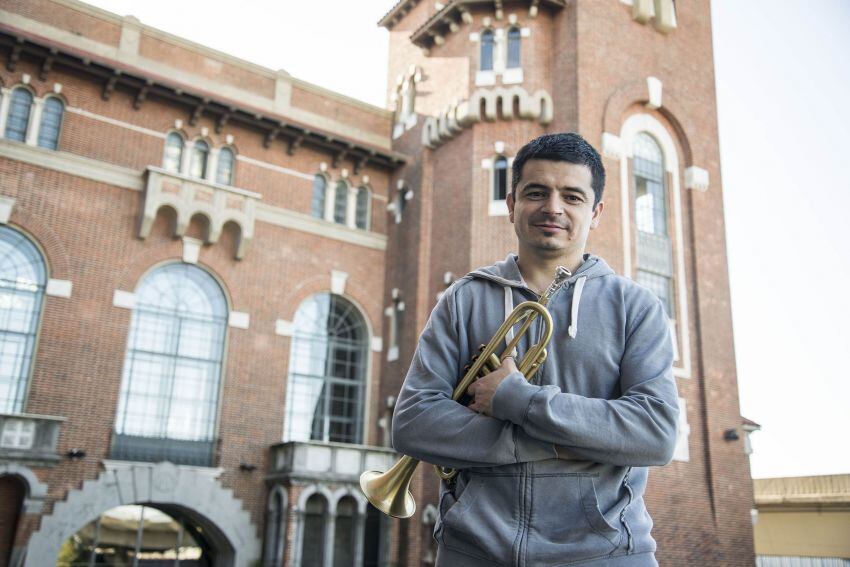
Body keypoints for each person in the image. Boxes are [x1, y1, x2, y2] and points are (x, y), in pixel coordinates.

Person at [391, 132, 680, 566]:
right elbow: (413, 424)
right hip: (473, 552)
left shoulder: (636, 307)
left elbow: (655, 434)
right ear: (511, 204)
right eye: (536, 192)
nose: (553, 207)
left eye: (572, 196)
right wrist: (563, 442)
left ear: (596, 212)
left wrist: (516, 401)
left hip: (606, 554)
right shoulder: (463, 299)